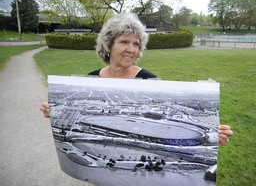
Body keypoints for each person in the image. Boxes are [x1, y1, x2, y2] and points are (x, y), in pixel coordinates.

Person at [40, 12, 233, 146]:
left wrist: (212, 136)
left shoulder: (149, 81)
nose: (131, 49)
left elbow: (169, 124)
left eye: (136, 44)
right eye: (124, 42)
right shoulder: (91, 79)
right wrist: (55, 111)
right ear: (108, 45)